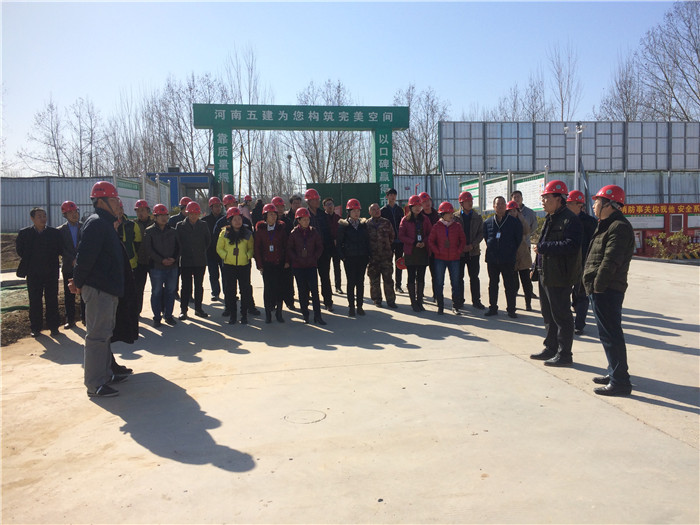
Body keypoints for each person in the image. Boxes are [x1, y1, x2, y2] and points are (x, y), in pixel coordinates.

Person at [70, 181, 128, 397]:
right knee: (96, 337)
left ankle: (105, 375)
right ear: (101, 202)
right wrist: (77, 282)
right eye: (113, 200)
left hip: (107, 289)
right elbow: (84, 258)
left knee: (104, 335)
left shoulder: (105, 224)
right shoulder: (96, 224)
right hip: (99, 290)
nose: (118, 204)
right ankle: (95, 384)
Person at [583, 185, 635, 396]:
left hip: (607, 289)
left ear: (609, 204)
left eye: (597, 201)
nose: (594, 205)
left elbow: (610, 261)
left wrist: (598, 286)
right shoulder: (607, 225)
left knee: (611, 335)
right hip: (602, 288)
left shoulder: (618, 227)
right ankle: (614, 371)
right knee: (607, 334)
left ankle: (620, 382)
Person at [531, 180, 582, 367]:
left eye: (547, 198)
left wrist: (545, 248)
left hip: (560, 275)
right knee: (548, 314)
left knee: (562, 316)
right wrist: (535, 267)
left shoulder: (570, 220)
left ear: (559, 199)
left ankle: (564, 354)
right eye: (543, 198)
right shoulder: (550, 218)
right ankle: (551, 348)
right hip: (545, 273)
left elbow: (571, 245)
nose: (543, 201)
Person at [16, 207, 62, 337]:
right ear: (32, 219)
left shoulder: (54, 233)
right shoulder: (25, 233)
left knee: (52, 300)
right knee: (35, 300)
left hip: (51, 272)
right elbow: (20, 251)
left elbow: (59, 249)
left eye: (44, 216)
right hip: (33, 273)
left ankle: (54, 327)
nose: (43, 219)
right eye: (39, 216)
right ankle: (36, 328)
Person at [482, 197, 522, 318]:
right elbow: (486, 238)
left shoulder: (514, 222)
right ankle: (493, 308)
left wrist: (510, 250)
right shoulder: (488, 222)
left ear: (506, 206)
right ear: (494, 207)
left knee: (509, 285)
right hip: (492, 259)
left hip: (507, 259)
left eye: (502, 204)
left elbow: (518, 239)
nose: (500, 206)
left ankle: (511, 309)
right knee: (493, 285)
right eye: (498, 204)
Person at [566, 190, 599, 335]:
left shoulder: (590, 222)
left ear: (579, 205)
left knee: (582, 295)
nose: (567, 206)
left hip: (584, 263)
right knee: (565, 293)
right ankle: (566, 322)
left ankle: (579, 324)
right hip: (567, 263)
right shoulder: (564, 220)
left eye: (570, 203)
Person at [286, 207, 326, 325]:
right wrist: (296, 258)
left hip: (311, 265)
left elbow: (319, 246)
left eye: (307, 219)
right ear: (298, 220)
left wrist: (315, 257)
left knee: (315, 291)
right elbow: (290, 248)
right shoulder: (294, 233)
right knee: (302, 291)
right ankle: (305, 315)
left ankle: (318, 316)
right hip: (298, 266)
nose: (306, 221)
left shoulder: (314, 232)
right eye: (303, 219)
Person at [217, 207, 255, 325]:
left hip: (244, 266)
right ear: (230, 221)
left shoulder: (247, 233)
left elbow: (251, 248)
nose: (238, 221)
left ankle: (244, 315)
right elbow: (219, 248)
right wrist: (226, 256)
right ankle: (233, 316)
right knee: (230, 291)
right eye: (235, 219)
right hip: (229, 266)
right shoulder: (224, 233)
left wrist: (247, 255)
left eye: (239, 219)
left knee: (245, 290)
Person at [143, 204, 179, 327]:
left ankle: (168, 316)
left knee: (170, 292)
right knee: (156, 292)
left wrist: (174, 258)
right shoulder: (149, 231)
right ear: (155, 217)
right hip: (157, 268)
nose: (164, 218)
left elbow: (178, 247)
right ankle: (157, 318)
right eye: (161, 215)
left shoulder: (173, 231)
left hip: (172, 267)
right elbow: (148, 249)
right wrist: (161, 260)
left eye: (165, 215)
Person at [428, 201, 466, 315]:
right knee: (439, 282)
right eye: (448, 213)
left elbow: (462, 240)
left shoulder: (457, 226)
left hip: (454, 259)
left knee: (455, 283)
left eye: (451, 213)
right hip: (440, 259)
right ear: (442, 214)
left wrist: (458, 251)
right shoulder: (436, 227)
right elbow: (431, 241)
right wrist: (437, 251)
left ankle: (456, 306)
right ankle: (440, 306)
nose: (451, 215)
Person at [254, 203, 289, 323]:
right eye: (270, 214)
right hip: (266, 264)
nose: (273, 217)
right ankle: (268, 314)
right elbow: (257, 249)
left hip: (279, 263)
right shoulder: (260, 230)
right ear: (265, 216)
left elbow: (286, 246)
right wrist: (259, 265)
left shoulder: (281, 229)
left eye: (274, 214)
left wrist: (287, 261)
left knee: (279, 289)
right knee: (268, 289)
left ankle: (279, 313)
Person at [176, 201, 211, 320]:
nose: (193, 216)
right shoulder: (180, 226)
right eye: (191, 214)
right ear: (187, 213)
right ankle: (183, 310)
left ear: (199, 214)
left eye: (196, 214)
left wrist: (200, 250)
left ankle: (198, 309)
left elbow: (208, 241)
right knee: (185, 286)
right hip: (186, 260)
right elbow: (178, 242)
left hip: (200, 260)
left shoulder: (203, 225)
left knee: (198, 286)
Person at [337, 198, 371, 317]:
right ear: (349, 212)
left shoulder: (363, 225)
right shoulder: (343, 225)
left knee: (360, 282)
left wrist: (368, 256)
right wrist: (343, 257)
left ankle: (360, 306)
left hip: (362, 257)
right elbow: (339, 244)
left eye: (358, 211)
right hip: (349, 258)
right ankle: (351, 307)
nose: (356, 213)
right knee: (351, 283)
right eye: (354, 211)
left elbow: (367, 241)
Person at [399, 195, 432, 312]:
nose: (418, 208)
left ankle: (420, 301)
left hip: (422, 251)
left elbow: (430, 233)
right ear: (410, 207)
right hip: (411, 252)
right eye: (415, 206)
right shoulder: (405, 220)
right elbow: (401, 235)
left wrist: (424, 242)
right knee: (411, 276)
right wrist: (413, 242)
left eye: (419, 206)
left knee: (421, 276)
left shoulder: (425, 219)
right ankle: (413, 302)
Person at [455, 191, 485, 310]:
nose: (470, 203)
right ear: (461, 203)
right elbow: (452, 234)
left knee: (474, 277)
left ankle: (476, 301)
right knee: (459, 278)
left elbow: (481, 233)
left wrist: (473, 245)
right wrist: (461, 246)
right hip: (460, 253)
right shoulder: (455, 218)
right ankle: (459, 300)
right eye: (467, 201)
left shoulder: (477, 217)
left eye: (471, 201)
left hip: (474, 252)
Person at [57, 201, 85, 329]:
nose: (74, 214)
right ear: (65, 215)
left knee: (84, 292)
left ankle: (85, 318)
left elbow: (87, 245)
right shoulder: (60, 231)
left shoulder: (84, 227)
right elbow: (60, 248)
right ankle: (70, 320)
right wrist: (71, 259)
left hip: (83, 266)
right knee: (69, 294)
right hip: (68, 266)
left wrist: (79, 258)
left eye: (75, 212)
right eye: (70, 213)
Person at [305, 188, 334, 312]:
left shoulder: (323, 215)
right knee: (310, 279)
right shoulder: (303, 215)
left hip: (323, 251)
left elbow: (328, 233)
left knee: (325, 277)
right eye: (314, 199)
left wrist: (329, 249)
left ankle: (328, 301)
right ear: (309, 201)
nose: (317, 201)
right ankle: (308, 301)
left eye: (318, 199)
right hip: (309, 253)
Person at [367, 202, 397, 309]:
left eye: (378, 209)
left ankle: (391, 300)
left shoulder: (386, 222)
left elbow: (392, 237)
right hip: (373, 258)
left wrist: (386, 247)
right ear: (370, 212)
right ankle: (377, 300)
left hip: (386, 257)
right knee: (374, 280)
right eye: (374, 209)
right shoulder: (367, 224)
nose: (377, 211)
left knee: (388, 280)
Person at [511, 189, 539, 299]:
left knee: (525, 270)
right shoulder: (509, 211)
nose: (516, 199)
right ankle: (514, 289)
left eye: (518, 197)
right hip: (512, 247)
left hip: (525, 245)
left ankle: (529, 291)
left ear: (522, 198)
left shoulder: (529, 212)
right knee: (513, 270)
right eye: (514, 197)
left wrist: (526, 234)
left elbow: (534, 225)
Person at [507, 200, 535, 312]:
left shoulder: (521, 222)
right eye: (510, 211)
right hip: (511, 256)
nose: (512, 213)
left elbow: (527, 230)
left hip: (523, 255)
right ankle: (512, 304)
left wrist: (521, 218)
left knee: (526, 282)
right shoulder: (505, 222)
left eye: (514, 211)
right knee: (513, 283)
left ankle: (528, 303)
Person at [273, 195, 297, 311]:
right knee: (274, 281)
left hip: (286, 255)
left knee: (288, 280)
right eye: (277, 207)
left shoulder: (288, 221)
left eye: (281, 206)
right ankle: (274, 302)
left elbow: (292, 240)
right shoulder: (268, 222)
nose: (280, 209)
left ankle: (289, 301)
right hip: (273, 257)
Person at [380, 188, 405, 293]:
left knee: (399, 263)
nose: (393, 197)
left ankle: (398, 285)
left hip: (399, 241)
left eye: (394, 195)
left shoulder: (399, 210)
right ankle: (389, 284)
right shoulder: (383, 211)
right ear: (387, 197)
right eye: (390, 195)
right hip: (389, 242)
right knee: (388, 264)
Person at [133, 199, 154, 315]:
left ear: (148, 211)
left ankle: (159, 311)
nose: (140, 213)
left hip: (153, 261)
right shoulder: (133, 225)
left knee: (157, 288)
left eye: (142, 210)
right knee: (138, 288)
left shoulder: (154, 223)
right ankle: (137, 311)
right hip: (139, 261)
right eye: (138, 211)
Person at [168, 196, 191, 299]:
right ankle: (174, 291)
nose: (187, 210)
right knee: (175, 274)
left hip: (188, 252)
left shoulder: (192, 220)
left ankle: (188, 294)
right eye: (185, 208)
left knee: (187, 276)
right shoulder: (173, 220)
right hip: (175, 251)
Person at [202, 196, 224, 302]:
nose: (218, 208)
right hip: (210, 252)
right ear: (211, 207)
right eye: (215, 206)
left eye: (219, 206)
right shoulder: (205, 221)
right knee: (213, 274)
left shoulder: (225, 219)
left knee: (226, 274)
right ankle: (215, 293)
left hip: (223, 252)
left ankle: (228, 293)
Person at [324, 197, 343, 294]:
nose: (330, 206)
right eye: (327, 204)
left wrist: (337, 240)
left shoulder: (338, 218)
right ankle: (328, 288)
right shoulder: (322, 218)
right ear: (324, 207)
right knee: (326, 268)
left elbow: (341, 232)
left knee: (337, 267)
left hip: (336, 246)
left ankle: (338, 286)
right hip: (326, 247)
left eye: (331, 204)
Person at [117, 200, 142, 272]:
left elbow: (138, 244)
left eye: (121, 208)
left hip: (131, 263)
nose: (120, 211)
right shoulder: (107, 225)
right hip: (114, 265)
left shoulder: (132, 225)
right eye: (117, 208)